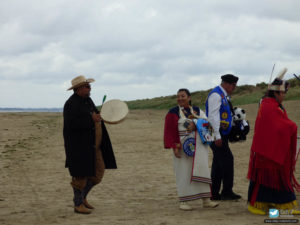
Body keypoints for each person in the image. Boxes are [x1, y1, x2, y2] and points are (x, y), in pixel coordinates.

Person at [247, 74, 300, 215]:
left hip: (271, 148)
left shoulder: (274, 105)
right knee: (264, 178)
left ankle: (280, 205)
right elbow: (279, 125)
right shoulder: (268, 105)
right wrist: (292, 126)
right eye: (283, 92)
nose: (284, 95)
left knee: (275, 177)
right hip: (266, 150)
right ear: (275, 92)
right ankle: (256, 204)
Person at [63, 75, 117, 214]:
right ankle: (78, 204)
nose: (90, 88)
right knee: (80, 177)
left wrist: (100, 116)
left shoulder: (88, 100)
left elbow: (95, 116)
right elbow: (71, 125)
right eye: (87, 86)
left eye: (89, 86)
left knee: (97, 174)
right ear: (78, 89)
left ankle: (83, 197)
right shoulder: (71, 104)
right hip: (79, 147)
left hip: (94, 146)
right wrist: (90, 119)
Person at [164, 88, 219, 210]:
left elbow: (207, 124)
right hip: (183, 148)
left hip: (199, 147)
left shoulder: (198, 110)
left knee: (202, 170)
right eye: (178, 96)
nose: (180, 98)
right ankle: (184, 201)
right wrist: (175, 146)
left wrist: (195, 123)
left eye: (183, 96)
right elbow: (170, 130)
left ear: (189, 97)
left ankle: (206, 200)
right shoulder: (173, 112)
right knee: (183, 172)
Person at [205, 74, 241, 200]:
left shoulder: (223, 95)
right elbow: (212, 116)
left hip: (220, 133)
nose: (234, 88)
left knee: (218, 163)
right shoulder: (216, 95)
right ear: (226, 83)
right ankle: (226, 191)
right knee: (227, 160)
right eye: (233, 85)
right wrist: (217, 135)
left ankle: (214, 193)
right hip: (216, 133)